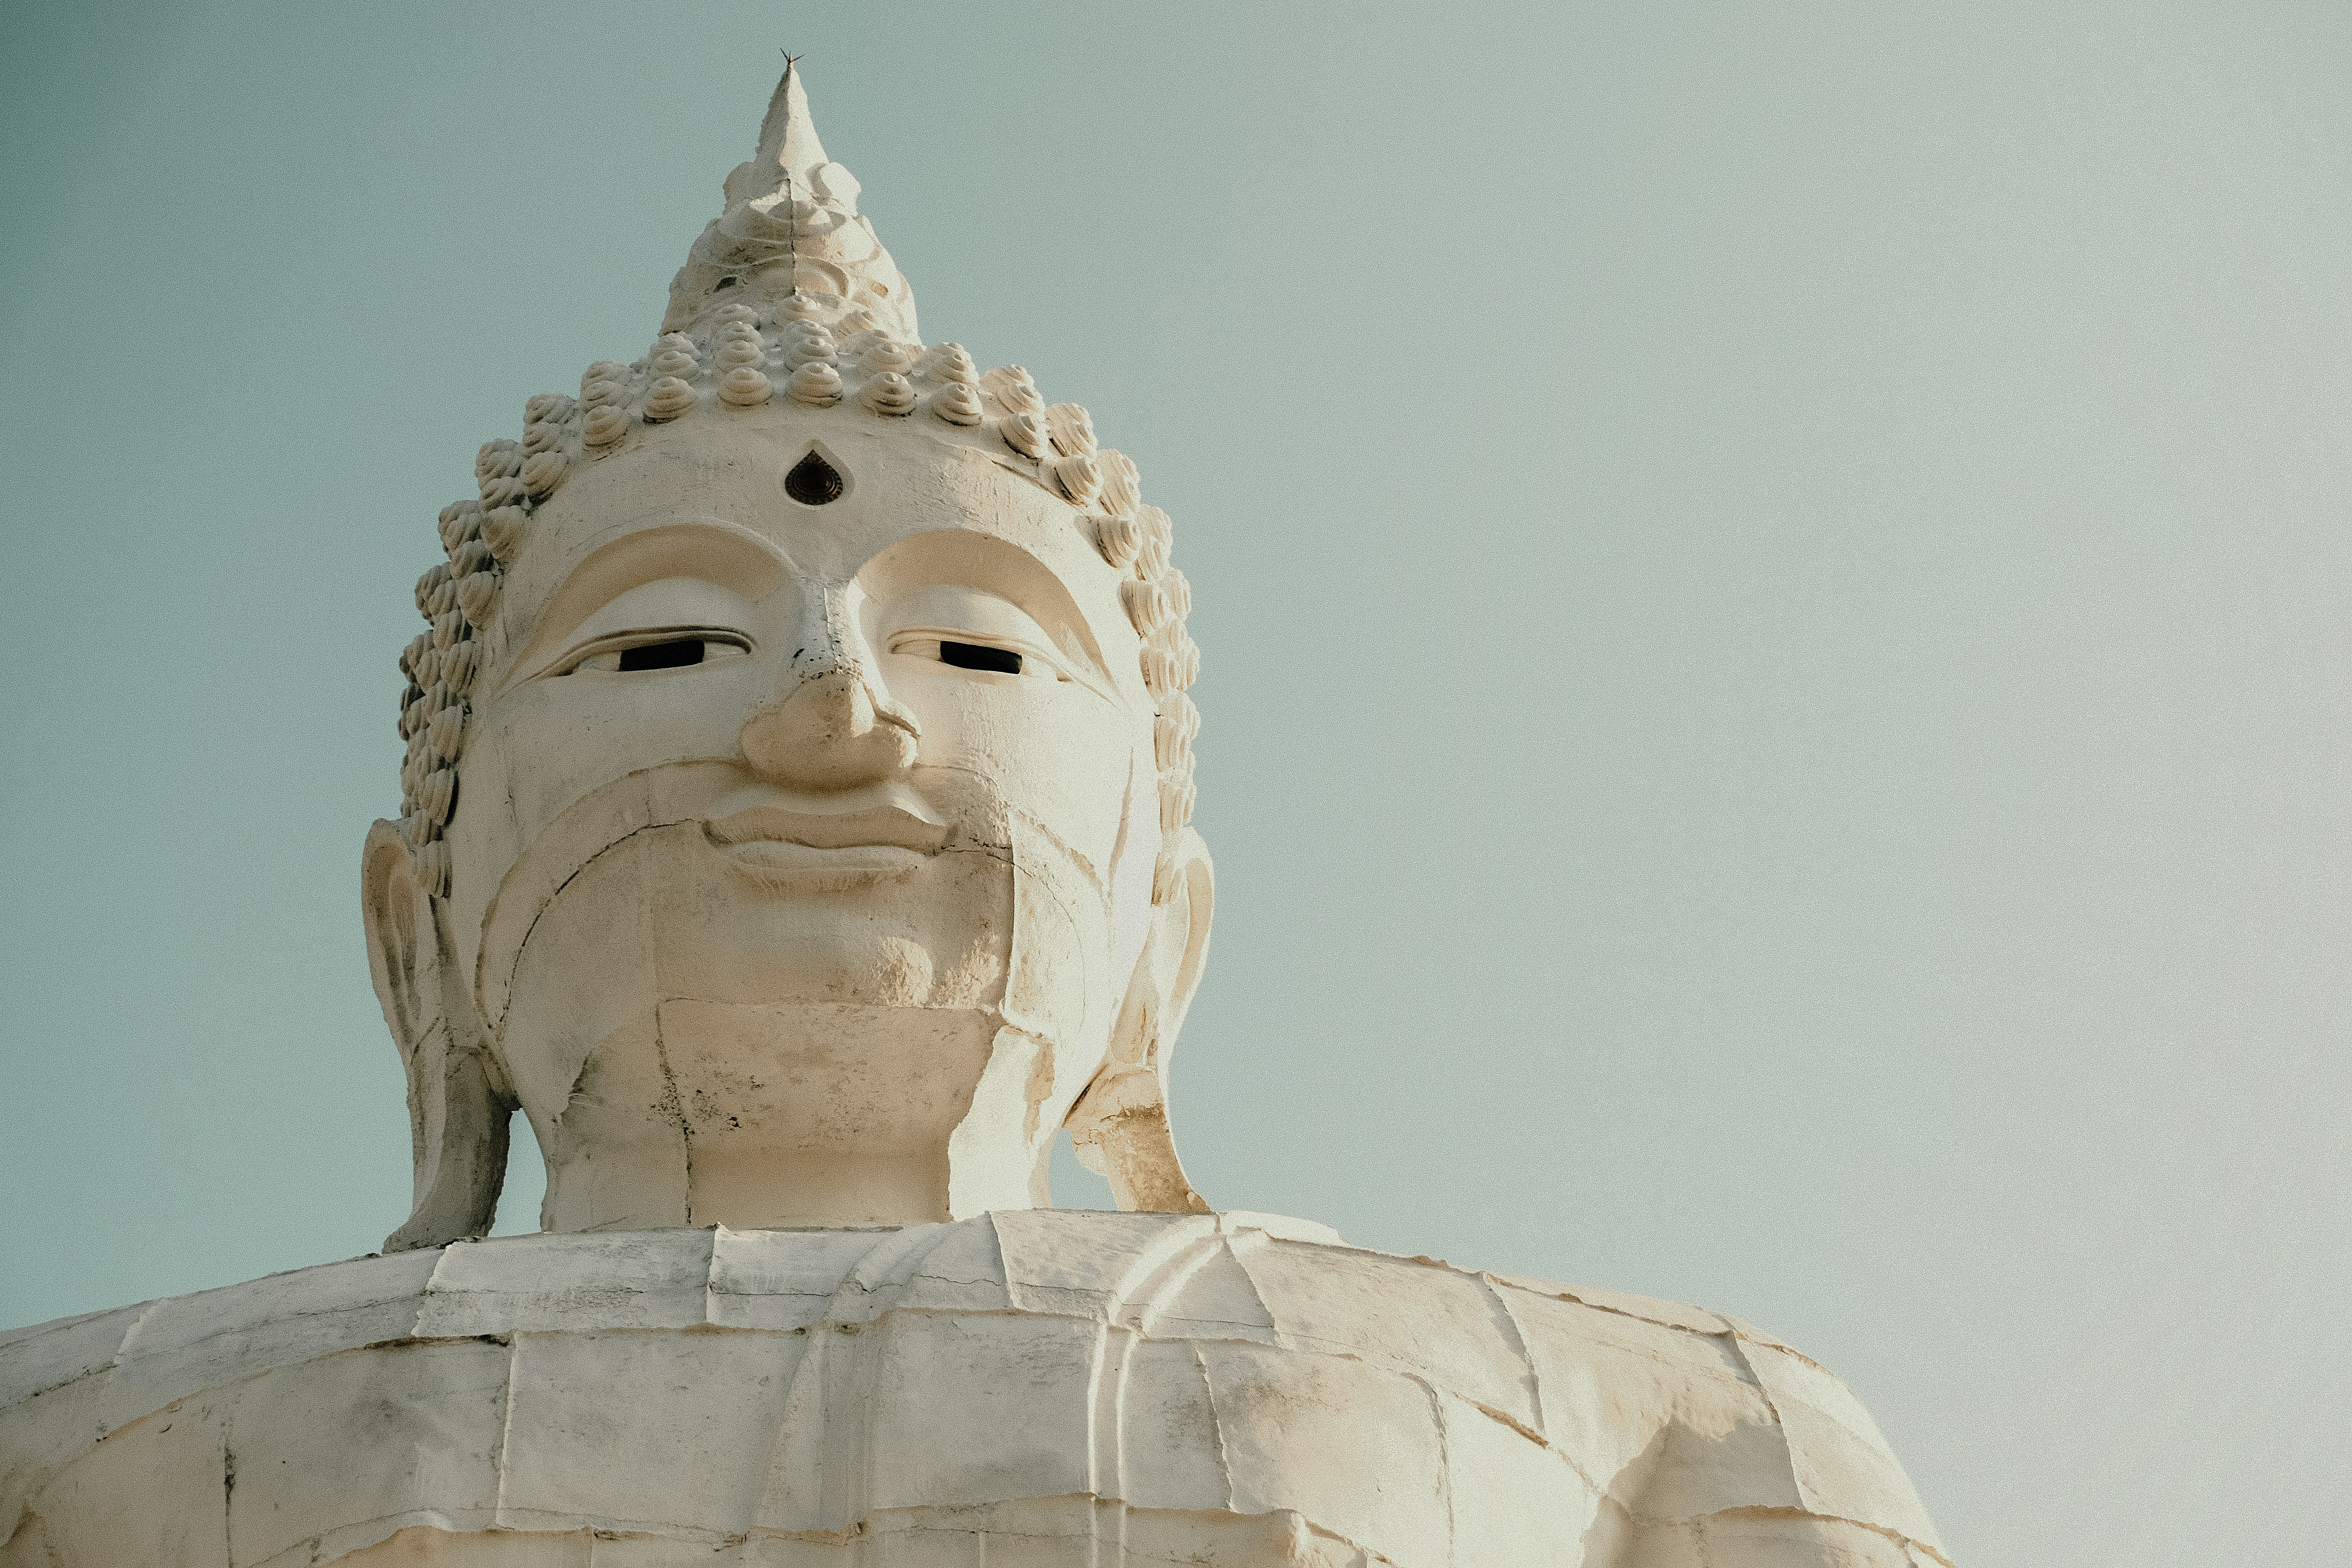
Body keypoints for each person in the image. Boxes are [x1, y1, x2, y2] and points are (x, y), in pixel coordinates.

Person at [0, 63, 1949, 1567]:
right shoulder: (70, 1450)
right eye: (666, 645)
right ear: (411, 936)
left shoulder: (1685, 1434)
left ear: (1161, 933)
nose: (833, 712)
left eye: (982, 655)